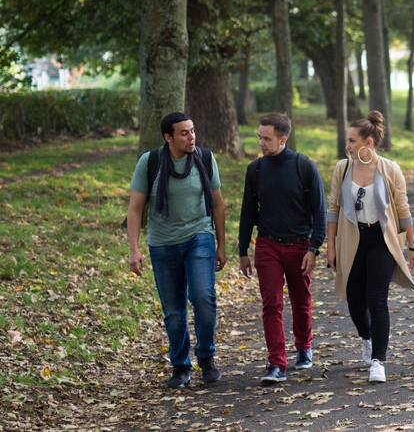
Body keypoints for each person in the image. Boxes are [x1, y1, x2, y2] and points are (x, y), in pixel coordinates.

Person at [127, 112, 226, 389]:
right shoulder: (151, 162)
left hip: (199, 236)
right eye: (183, 133)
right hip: (163, 243)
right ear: (168, 137)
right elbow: (135, 210)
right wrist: (134, 250)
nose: (191, 136)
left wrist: (222, 244)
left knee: (203, 298)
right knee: (173, 310)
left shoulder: (205, 159)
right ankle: (180, 366)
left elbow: (218, 204)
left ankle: (207, 358)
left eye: (192, 130)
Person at [326, 111, 414, 383]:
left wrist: (412, 246)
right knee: (355, 300)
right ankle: (366, 338)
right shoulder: (342, 168)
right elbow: (333, 208)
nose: (348, 146)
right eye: (347, 141)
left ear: (367, 143)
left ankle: (378, 360)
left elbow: (403, 210)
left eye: (352, 141)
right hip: (351, 241)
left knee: (377, 298)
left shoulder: (390, 169)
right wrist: (329, 246)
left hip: (381, 240)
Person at [238, 113, 326, 384]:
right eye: (259, 137)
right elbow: (248, 212)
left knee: (301, 301)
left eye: (267, 138)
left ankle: (304, 347)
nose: (261, 142)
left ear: (282, 139)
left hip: (300, 246)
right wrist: (243, 251)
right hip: (267, 245)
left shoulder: (304, 166)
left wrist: (314, 248)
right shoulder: (255, 170)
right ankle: (277, 364)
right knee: (271, 304)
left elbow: (319, 211)